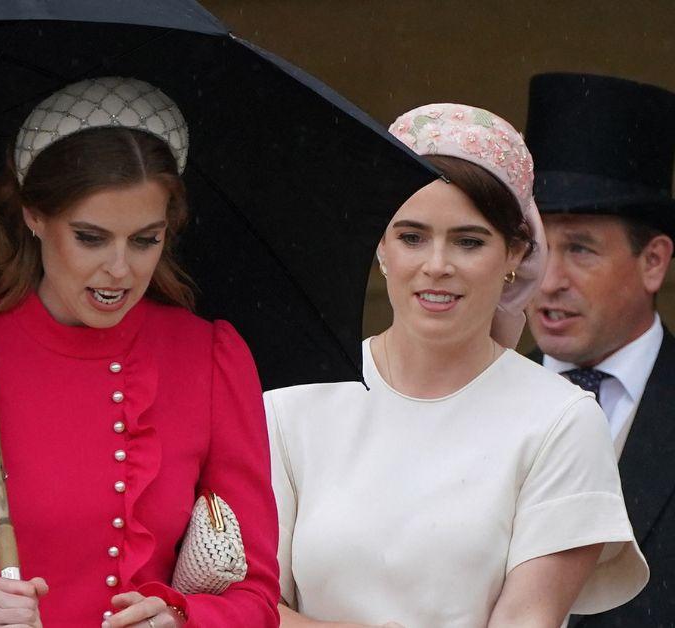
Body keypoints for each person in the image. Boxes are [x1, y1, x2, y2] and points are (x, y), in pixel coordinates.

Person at [0, 77, 282, 628]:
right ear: (34, 216)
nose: (120, 269)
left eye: (146, 239)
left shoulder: (209, 358)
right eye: (91, 237)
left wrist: (184, 621)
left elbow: (256, 594)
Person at [264, 103, 649, 627]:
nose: (437, 265)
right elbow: (252, 610)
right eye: (412, 237)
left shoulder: (560, 421)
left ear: (515, 253)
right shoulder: (293, 401)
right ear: (380, 245)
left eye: (469, 242)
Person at [524, 72, 675, 626]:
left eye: (581, 249)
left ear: (653, 262)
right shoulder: (472, 399)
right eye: (537, 248)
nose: (549, 280)